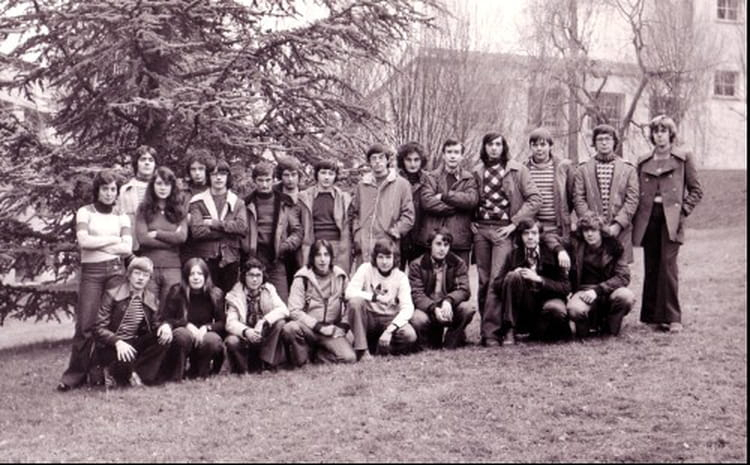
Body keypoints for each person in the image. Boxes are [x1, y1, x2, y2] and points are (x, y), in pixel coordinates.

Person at [57, 169, 133, 392]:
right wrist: (112, 240)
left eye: (113, 189)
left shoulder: (121, 216)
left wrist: (98, 241)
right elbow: (83, 241)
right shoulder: (85, 212)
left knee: (112, 323)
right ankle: (73, 377)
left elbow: (127, 248)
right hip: (91, 272)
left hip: (116, 271)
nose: (109, 194)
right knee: (86, 325)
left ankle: (105, 373)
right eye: (105, 189)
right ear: (97, 190)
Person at [632, 115, 703, 333]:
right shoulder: (644, 161)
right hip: (648, 219)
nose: (659, 135)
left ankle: (673, 317)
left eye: (663, 131)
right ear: (652, 135)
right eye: (656, 131)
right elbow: (635, 192)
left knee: (668, 266)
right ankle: (652, 316)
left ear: (671, 134)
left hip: (671, 220)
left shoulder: (683, 158)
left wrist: (683, 210)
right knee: (652, 265)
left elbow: (696, 190)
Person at [471, 132, 541, 346]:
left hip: (503, 230)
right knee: (482, 281)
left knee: (496, 280)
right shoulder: (476, 171)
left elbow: (535, 199)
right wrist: (471, 221)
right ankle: (487, 331)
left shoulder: (517, 170)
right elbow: (471, 200)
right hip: (482, 230)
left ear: (504, 147)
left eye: (498, 144)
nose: (494, 148)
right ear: (484, 147)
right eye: (490, 144)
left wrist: (514, 223)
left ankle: (496, 331)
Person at [486, 218, 571, 345]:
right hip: (524, 304)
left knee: (556, 309)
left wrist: (539, 279)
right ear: (521, 236)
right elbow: (496, 285)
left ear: (540, 236)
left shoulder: (552, 254)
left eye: (534, 233)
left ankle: (545, 332)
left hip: (547, 300)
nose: (530, 237)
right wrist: (514, 275)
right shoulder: (514, 255)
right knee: (512, 276)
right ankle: (510, 330)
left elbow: (566, 287)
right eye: (526, 233)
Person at [94, 257, 171, 388]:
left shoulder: (150, 299)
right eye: (137, 273)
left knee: (163, 337)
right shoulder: (112, 294)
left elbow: (156, 323)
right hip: (112, 344)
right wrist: (117, 341)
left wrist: (165, 326)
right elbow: (98, 328)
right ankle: (119, 373)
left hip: (134, 342)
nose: (141, 278)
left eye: (145, 275)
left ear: (149, 279)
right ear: (129, 275)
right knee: (124, 361)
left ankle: (139, 375)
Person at [282, 240, 356, 366]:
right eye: (318, 255)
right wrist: (319, 327)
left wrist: (343, 326)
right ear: (312, 257)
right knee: (290, 328)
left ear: (332, 257)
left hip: (330, 329)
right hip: (309, 329)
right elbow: (294, 310)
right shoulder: (302, 278)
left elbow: (351, 304)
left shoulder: (341, 276)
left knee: (349, 358)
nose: (322, 259)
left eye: (326, 255)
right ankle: (302, 360)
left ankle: (318, 356)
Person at [573, 124, 639, 263]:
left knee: (618, 271)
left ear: (614, 142)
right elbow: (578, 198)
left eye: (608, 139)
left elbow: (632, 199)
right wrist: (592, 224)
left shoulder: (628, 169)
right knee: (592, 270)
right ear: (594, 143)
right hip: (591, 231)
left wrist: (618, 225)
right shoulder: (583, 169)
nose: (604, 143)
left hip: (619, 231)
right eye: (600, 139)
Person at [345, 239, 418, 359]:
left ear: (394, 258)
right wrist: (375, 297)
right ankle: (362, 350)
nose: (384, 262)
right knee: (355, 302)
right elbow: (349, 292)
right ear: (375, 257)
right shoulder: (365, 269)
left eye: (388, 257)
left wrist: (390, 330)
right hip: (369, 318)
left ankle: (380, 349)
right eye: (380, 257)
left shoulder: (401, 277)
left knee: (409, 335)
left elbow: (408, 308)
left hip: (389, 318)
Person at [567, 212, 636, 338]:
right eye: (585, 231)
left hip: (607, 290)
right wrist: (559, 251)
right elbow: (551, 239)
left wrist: (598, 290)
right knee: (575, 309)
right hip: (583, 291)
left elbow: (623, 276)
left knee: (626, 296)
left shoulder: (614, 247)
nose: (589, 234)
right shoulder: (575, 246)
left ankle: (610, 331)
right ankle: (586, 330)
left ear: (601, 232)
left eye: (593, 230)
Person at [243, 161, 303, 303]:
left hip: (277, 259)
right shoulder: (246, 203)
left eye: (268, 180)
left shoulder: (285, 202)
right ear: (254, 180)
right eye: (260, 180)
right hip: (253, 259)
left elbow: (297, 231)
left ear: (274, 179)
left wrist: (285, 246)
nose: (264, 185)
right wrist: (247, 248)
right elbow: (241, 231)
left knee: (282, 303)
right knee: (253, 302)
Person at [349, 143, 415, 267]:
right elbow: (355, 213)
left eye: (381, 158)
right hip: (365, 244)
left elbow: (409, 215)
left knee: (386, 282)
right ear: (369, 162)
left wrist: (397, 230)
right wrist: (357, 233)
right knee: (364, 280)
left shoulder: (401, 184)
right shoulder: (362, 185)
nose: (378, 162)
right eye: (374, 158)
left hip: (388, 243)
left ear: (387, 160)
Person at [408, 228, 475, 350]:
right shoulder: (416, 265)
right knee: (417, 318)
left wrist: (448, 301)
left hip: (448, 309)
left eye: (446, 245)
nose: (442, 249)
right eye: (438, 244)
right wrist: (433, 308)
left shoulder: (458, 263)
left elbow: (464, 289)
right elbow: (417, 294)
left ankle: (451, 342)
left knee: (468, 308)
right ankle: (427, 344)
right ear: (430, 245)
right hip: (428, 309)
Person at [160, 258, 226, 380]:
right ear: (186, 277)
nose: (196, 278)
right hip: (184, 336)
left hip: (204, 336)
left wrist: (206, 328)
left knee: (212, 340)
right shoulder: (176, 292)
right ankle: (176, 376)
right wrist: (186, 325)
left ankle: (201, 374)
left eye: (200, 274)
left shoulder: (215, 294)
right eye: (192, 274)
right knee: (181, 335)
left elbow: (222, 323)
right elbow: (167, 318)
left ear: (206, 275)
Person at [188, 159, 248, 294]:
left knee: (230, 298)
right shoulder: (198, 201)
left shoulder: (237, 202)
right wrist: (229, 232)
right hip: (206, 258)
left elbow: (242, 227)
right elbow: (197, 231)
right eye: (214, 174)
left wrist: (215, 224)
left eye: (222, 173)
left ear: (228, 176)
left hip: (230, 258)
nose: (218, 177)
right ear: (209, 177)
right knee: (208, 297)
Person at [418, 139, 478, 267]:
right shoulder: (431, 177)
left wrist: (444, 196)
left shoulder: (469, 179)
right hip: (433, 239)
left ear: (462, 156)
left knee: (459, 280)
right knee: (431, 280)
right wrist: (456, 207)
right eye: (449, 152)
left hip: (459, 241)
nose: (452, 155)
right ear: (443, 155)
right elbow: (427, 201)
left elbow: (471, 200)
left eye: (456, 152)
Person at [135, 166, 187, 312]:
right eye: (159, 183)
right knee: (148, 310)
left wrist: (157, 233)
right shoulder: (143, 209)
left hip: (172, 267)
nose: (163, 188)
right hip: (148, 268)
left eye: (167, 184)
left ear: (172, 187)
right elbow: (143, 239)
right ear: (152, 186)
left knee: (169, 310)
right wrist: (172, 239)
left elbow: (182, 237)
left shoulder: (179, 210)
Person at [224, 257, 289, 373]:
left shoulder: (269, 289)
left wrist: (264, 321)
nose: (254, 279)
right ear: (244, 276)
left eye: (258, 275)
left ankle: (266, 362)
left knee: (280, 323)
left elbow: (284, 309)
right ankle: (244, 369)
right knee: (231, 341)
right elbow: (230, 323)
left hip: (263, 336)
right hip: (245, 339)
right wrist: (246, 331)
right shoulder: (235, 294)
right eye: (251, 275)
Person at [298, 159, 353, 274]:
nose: (326, 177)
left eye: (331, 174)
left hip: (337, 245)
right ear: (317, 174)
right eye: (323, 173)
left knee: (337, 279)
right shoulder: (305, 197)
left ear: (335, 176)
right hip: (313, 244)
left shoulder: (344, 198)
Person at [524, 128, 576, 239]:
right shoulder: (523, 169)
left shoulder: (563, 168)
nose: (539, 149)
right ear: (530, 147)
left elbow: (572, 196)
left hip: (557, 226)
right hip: (532, 227)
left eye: (543, 145)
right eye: (535, 145)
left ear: (550, 146)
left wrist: (566, 218)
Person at [396, 141, 430, 267]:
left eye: (416, 160)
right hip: (399, 236)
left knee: (418, 277)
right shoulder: (395, 180)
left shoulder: (428, 180)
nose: (412, 164)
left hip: (421, 236)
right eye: (408, 160)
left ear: (422, 161)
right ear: (402, 161)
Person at [117, 145, 157, 252]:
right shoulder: (125, 190)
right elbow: (118, 221)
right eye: (143, 159)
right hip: (133, 247)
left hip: (157, 246)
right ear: (136, 163)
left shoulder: (162, 189)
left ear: (155, 165)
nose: (147, 163)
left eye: (151, 160)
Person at [274, 156, 305, 288]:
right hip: (277, 248)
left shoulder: (305, 195)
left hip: (301, 248)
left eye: (294, 175)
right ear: (280, 176)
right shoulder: (273, 193)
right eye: (286, 175)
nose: (290, 179)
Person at [180, 149, 215, 263]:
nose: (197, 173)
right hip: (186, 247)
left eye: (201, 169)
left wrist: (195, 220)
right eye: (193, 169)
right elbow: (176, 216)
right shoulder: (183, 193)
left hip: (210, 247)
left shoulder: (215, 191)